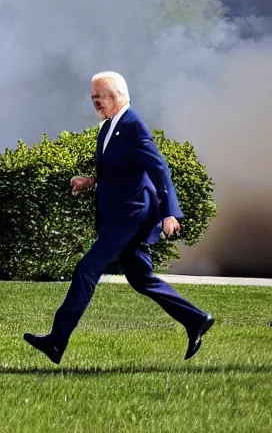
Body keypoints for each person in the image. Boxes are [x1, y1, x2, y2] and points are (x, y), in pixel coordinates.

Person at [24, 71, 214, 364]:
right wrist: (91, 181)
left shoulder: (134, 127)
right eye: (93, 98)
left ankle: (56, 341)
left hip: (129, 218)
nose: (95, 103)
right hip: (120, 217)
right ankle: (196, 319)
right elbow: (121, 173)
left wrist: (169, 213)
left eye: (99, 97)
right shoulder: (109, 127)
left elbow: (159, 169)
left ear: (118, 96)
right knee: (141, 279)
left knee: (86, 270)